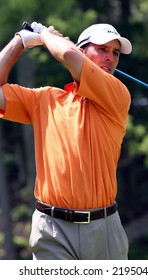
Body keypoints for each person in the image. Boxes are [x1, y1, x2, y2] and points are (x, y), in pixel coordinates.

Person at [0, 21, 132, 260]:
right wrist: (20, 40)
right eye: (102, 49)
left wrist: (45, 35)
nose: (110, 58)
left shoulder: (117, 95)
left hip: (104, 230)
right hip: (52, 229)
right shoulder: (45, 99)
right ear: (83, 51)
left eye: (115, 53)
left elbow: (67, 53)